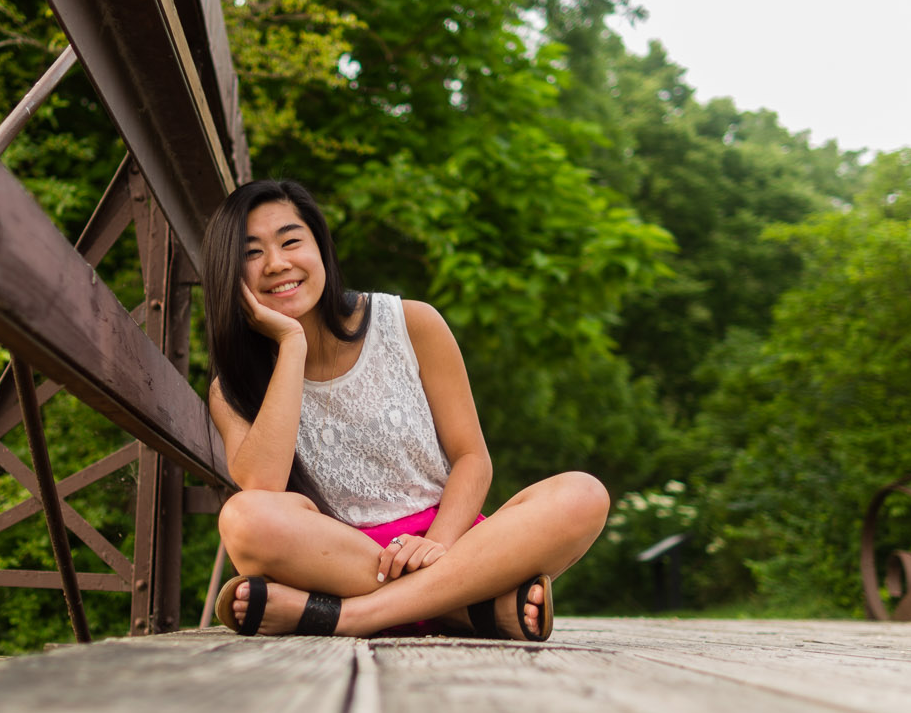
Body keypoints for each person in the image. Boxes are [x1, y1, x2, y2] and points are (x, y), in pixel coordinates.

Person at [205, 179, 610, 639]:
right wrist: (291, 344)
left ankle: (352, 617)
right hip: (337, 559)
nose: (277, 264)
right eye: (251, 253)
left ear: (320, 248)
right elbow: (264, 488)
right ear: (229, 275)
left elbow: (472, 459)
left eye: (291, 241)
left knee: (583, 494)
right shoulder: (232, 388)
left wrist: (436, 544)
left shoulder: (411, 322)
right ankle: (466, 608)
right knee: (243, 519)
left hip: (451, 541)